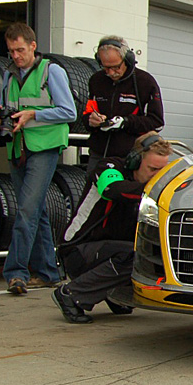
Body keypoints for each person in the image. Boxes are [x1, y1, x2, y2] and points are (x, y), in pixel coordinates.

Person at [52, 132, 174, 323]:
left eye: (161, 171)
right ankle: (71, 294)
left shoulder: (145, 185)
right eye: (152, 169)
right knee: (135, 255)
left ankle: (113, 294)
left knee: (152, 251)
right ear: (135, 161)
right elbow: (112, 189)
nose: (156, 176)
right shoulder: (109, 167)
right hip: (77, 250)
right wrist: (154, 190)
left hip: (107, 249)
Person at [0, 23, 77, 296]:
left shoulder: (51, 71)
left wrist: (33, 115)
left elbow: (69, 112)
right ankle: (47, 272)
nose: (16, 56)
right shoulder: (9, 75)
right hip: (18, 149)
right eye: (11, 51)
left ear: (32, 45)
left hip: (44, 147)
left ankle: (16, 273)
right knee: (37, 210)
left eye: (20, 50)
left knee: (26, 210)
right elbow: (7, 106)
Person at [83, 35, 165, 170]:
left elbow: (157, 122)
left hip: (131, 156)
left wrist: (124, 122)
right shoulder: (96, 80)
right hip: (99, 154)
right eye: (105, 67)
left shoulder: (145, 82)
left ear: (127, 59)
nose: (110, 72)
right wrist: (91, 120)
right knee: (92, 191)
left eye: (115, 67)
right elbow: (87, 114)